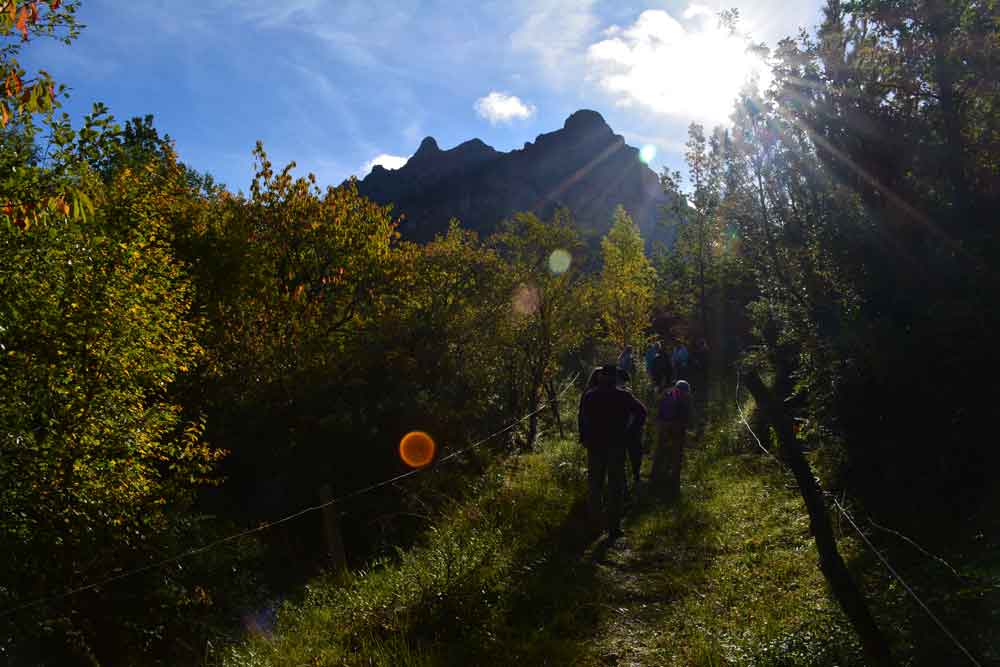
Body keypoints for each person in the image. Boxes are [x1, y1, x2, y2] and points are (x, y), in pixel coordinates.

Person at [578, 365, 647, 540]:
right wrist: (629, 432)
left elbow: (583, 419)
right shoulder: (624, 395)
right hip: (616, 445)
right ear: (615, 378)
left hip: (595, 446)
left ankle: (595, 524)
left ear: (601, 377)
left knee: (595, 485)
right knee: (615, 486)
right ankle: (613, 527)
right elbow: (641, 413)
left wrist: (585, 437)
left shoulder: (590, 395)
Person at [651, 380, 692, 499]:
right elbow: (685, 418)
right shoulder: (681, 398)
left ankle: (656, 478)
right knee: (675, 456)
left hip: (664, 427)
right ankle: (672, 483)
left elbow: (658, 412)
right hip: (674, 429)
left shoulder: (667, 395)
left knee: (661, 453)